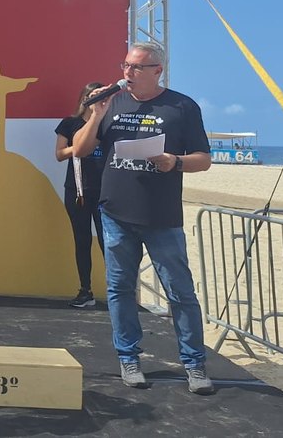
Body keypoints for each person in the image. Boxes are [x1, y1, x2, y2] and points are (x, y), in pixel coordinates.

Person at [71, 41, 215, 395]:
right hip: (116, 213)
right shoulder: (112, 102)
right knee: (120, 290)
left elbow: (204, 158)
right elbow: (79, 149)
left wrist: (174, 161)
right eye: (125, 66)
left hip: (162, 217)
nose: (128, 73)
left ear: (157, 71)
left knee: (180, 292)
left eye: (137, 68)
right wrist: (97, 115)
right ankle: (128, 357)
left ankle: (194, 364)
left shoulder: (181, 106)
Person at [54, 82, 106, 308]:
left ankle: (117, 292)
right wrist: (78, 147)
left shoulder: (108, 125)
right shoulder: (70, 123)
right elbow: (59, 154)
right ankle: (85, 290)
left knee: (109, 242)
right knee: (82, 240)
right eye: (92, 97)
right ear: (84, 99)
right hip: (77, 191)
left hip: (105, 192)